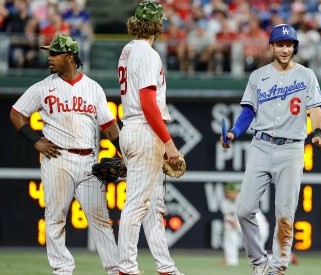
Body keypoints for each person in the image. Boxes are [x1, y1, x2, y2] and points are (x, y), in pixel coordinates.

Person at [220, 23, 321, 275]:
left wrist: (318, 132)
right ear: (271, 46)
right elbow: (248, 112)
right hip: (261, 144)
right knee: (244, 208)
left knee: (285, 214)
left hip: (292, 148)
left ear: (295, 48)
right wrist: (234, 133)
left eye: (289, 45)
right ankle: (259, 262)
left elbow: (316, 110)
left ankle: (278, 268)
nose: (285, 49)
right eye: (280, 44)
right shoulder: (257, 76)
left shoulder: (306, 75)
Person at [9, 34, 120, 275]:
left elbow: (109, 127)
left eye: (55, 54)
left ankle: (115, 269)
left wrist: (125, 155)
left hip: (89, 161)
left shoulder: (93, 88)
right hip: (58, 159)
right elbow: (16, 113)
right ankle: (62, 270)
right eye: (50, 53)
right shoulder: (42, 87)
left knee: (100, 218)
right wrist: (36, 140)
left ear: (70, 57)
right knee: (55, 217)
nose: (49, 58)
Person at [117, 1, 183, 275]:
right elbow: (147, 102)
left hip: (132, 127)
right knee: (137, 204)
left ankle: (165, 267)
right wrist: (168, 143)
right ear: (158, 24)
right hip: (144, 128)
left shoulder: (128, 49)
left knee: (153, 205)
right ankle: (127, 268)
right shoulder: (147, 53)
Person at [220, 182, 269, 267]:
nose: (227, 194)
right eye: (226, 192)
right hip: (245, 228)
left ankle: (285, 258)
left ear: (235, 192)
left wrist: (234, 224)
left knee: (255, 260)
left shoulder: (244, 201)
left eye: (229, 192)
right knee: (228, 228)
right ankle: (231, 260)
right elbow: (228, 218)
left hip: (257, 228)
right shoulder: (225, 202)